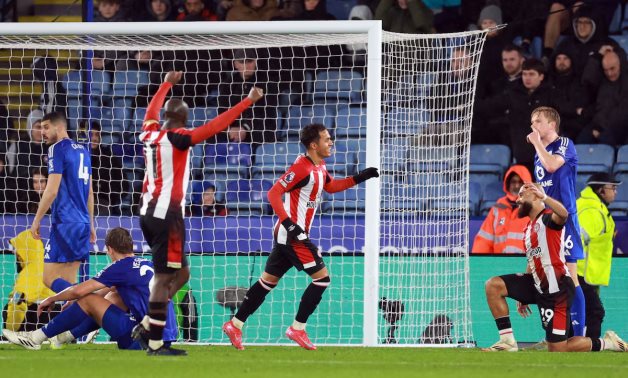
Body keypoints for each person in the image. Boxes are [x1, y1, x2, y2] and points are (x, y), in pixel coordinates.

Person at [137, 70, 264, 355]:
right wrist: (247, 101)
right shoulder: (180, 137)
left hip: (148, 211)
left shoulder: (149, 132)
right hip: (167, 214)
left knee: (181, 273)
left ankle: (148, 321)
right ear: (184, 120)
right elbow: (216, 126)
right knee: (162, 277)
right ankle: (155, 341)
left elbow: (151, 110)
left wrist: (166, 83)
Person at [222, 123, 379, 350]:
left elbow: (331, 187)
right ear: (314, 145)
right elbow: (273, 192)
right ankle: (297, 328)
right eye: (326, 139)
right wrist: (290, 225)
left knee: (267, 281)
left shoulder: (320, 166)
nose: (331, 142)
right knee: (322, 279)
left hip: (289, 234)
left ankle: (235, 324)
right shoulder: (302, 168)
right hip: (293, 235)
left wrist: (359, 177)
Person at [483, 183, 627, 353]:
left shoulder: (548, 219)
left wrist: (545, 197)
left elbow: (564, 214)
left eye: (522, 195)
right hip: (537, 285)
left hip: (558, 291)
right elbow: (532, 261)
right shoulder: (528, 228)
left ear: (536, 196)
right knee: (493, 285)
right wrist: (522, 294)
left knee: (558, 348)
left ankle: (608, 343)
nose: (517, 199)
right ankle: (507, 341)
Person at [1, 228, 173, 351]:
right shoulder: (148, 264)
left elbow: (79, 292)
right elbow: (101, 293)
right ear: (131, 246)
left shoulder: (120, 267)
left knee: (88, 299)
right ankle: (63, 337)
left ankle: (35, 338)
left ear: (110, 250)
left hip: (143, 341)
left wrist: (51, 299)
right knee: (114, 294)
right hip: (166, 338)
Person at [527, 106, 586, 336]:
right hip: (547, 220)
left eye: (538, 121)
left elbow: (552, 165)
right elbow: (542, 187)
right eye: (532, 122)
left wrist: (536, 143)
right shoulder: (538, 153)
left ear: (552, 125)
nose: (533, 126)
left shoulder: (565, 144)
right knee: (553, 278)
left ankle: (579, 336)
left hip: (565, 218)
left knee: (571, 276)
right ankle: (558, 334)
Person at [30, 112, 96, 294]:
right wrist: (91, 224)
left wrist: (37, 220)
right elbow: (90, 192)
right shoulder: (83, 150)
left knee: (48, 278)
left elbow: (51, 190)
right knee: (68, 285)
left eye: (45, 127)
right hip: (81, 223)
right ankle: (87, 309)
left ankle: (94, 302)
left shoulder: (57, 149)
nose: (42, 132)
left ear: (58, 127)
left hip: (65, 223)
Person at [576, 173, 622, 339]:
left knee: (585, 313)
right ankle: (592, 347)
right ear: (601, 190)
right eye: (613, 188)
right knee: (595, 312)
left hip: (585, 273)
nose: (615, 192)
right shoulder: (592, 210)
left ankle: (580, 345)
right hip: (580, 272)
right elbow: (577, 240)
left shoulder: (591, 206)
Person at [2, 230, 58, 333]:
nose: (17, 257)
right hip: (58, 319)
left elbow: (18, 301)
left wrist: (9, 332)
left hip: (40, 320)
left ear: (25, 251)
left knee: (9, 308)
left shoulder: (32, 270)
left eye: (18, 253)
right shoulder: (49, 264)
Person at [472, 165, 532, 254]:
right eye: (513, 182)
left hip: (525, 265)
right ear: (507, 184)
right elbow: (484, 240)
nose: (516, 186)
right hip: (500, 264)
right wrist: (478, 263)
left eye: (520, 182)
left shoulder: (533, 208)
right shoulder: (498, 208)